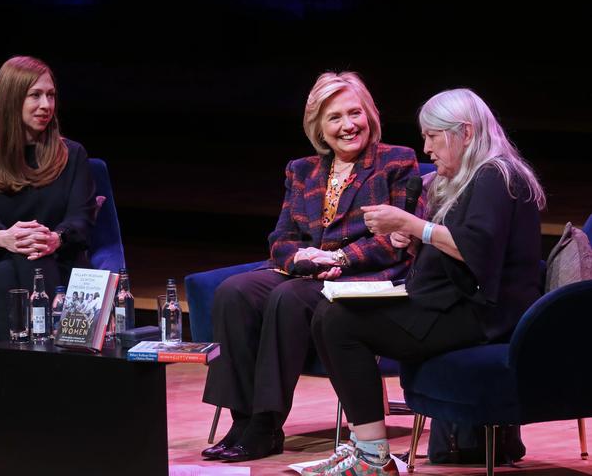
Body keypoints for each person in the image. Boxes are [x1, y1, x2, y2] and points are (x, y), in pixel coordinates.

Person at [307, 88, 546, 475]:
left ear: (465, 133)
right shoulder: (464, 178)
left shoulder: (497, 175)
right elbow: (452, 243)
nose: (427, 148)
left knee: (340, 323)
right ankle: (364, 448)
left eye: (433, 136)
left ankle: (372, 458)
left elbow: (478, 251)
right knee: (328, 312)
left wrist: (413, 225)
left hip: (480, 314)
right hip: (447, 303)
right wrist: (417, 236)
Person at [201, 71, 422, 462]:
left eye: (355, 113)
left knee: (289, 298)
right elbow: (280, 239)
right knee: (233, 292)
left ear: (370, 114)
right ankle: (241, 420)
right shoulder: (301, 170)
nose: (348, 125)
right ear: (318, 126)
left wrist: (338, 258)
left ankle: (266, 425)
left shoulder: (396, 161)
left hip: (361, 277)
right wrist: (301, 258)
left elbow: (394, 238)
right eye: (334, 117)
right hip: (306, 273)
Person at [0, 55, 97, 341]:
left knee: (10, 272)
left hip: (57, 258)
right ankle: (52, 358)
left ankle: (7, 374)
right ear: (10, 100)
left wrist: (55, 239)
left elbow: (81, 217)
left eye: (50, 95)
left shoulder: (72, 155)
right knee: (20, 262)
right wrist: (6, 238)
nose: (46, 105)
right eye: (34, 96)